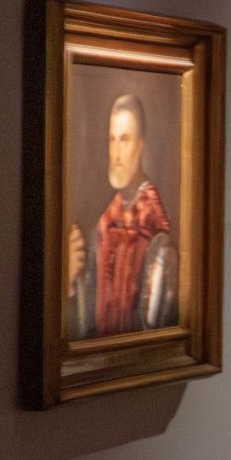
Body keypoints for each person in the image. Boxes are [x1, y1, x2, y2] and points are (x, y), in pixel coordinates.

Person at [65, 92, 178, 340]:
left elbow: (155, 333)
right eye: (112, 139)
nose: (116, 153)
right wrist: (71, 280)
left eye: (124, 140)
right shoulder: (104, 226)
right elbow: (85, 326)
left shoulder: (155, 233)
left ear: (141, 146)